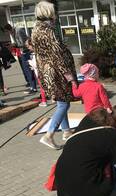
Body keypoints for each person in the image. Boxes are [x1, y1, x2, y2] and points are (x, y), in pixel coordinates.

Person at [32, 1, 77, 149]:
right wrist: (69, 76)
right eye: (53, 12)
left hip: (47, 72)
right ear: (48, 13)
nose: (56, 15)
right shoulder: (48, 31)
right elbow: (57, 55)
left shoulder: (36, 29)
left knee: (60, 102)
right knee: (64, 103)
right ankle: (49, 135)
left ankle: (66, 131)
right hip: (57, 73)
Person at [3, 23, 32, 92]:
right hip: (21, 52)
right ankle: (29, 82)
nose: (7, 34)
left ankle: (32, 84)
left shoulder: (18, 31)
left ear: (9, 29)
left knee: (28, 69)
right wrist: (11, 45)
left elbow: (23, 43)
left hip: (26, 51)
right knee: (24, 68)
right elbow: (18, 43)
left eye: (7, 32)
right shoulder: (13, 33)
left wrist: (14, 46)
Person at [26, 38, 48, 107]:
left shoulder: (35, 54)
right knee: (46, 86)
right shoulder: (40, 52)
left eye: (28, 46)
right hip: (42, 72)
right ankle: (53, 99)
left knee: (42, 87)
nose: (28, 48)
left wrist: (29, 62)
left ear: (32, 45)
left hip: (40, 73)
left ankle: (44, 101)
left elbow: (36, 64)